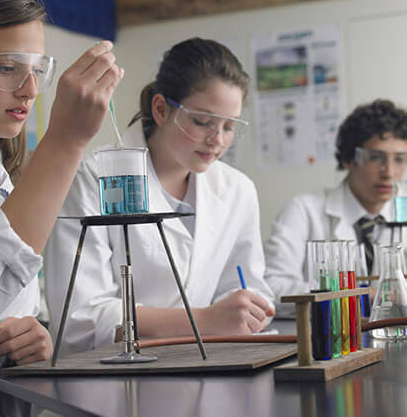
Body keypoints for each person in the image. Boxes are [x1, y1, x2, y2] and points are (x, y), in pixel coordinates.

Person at [0, 0, 123, 416]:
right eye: (8, 67)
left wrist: (35, 337)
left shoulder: (2, 181)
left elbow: (3, 306)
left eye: (36, 70)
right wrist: (66, 141)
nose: (30, 90)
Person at [44, 37, 275, 355]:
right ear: (162, 109)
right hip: (114, 380)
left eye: (229, 126)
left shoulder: (238, 190)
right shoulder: (93, 176)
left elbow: (245, 288)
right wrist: (204, 320)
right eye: (203, 121)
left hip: (210, 367)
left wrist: (249, 311)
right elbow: (80, 319)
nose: (217, 140)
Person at [264, 99, 407, 317]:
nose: (388, 172)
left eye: (399, 159)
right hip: (323, 340)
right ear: (349, 159)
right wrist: (359, 298)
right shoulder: (304, 211)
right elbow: (272, 287)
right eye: (375, 158)